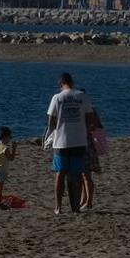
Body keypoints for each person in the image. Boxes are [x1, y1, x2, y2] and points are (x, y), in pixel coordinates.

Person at [44, 72, 91, 215]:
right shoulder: (82, 96)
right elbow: (90, 119)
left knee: (60, 173)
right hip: (79, 141)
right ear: (72, 82)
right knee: (76, 175)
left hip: (61, 142)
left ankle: (58, 206)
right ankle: (75, 207)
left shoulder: (57, 98)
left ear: (61, 84)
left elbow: (50, 122)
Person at [82, 106, 109, 212]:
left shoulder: (88, 110)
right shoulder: (88, 109)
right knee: (83, 175)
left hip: (87, 146)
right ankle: (84, 200)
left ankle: (88, 201)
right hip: (86, 145)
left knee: (86, 175)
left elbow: (94, 126)